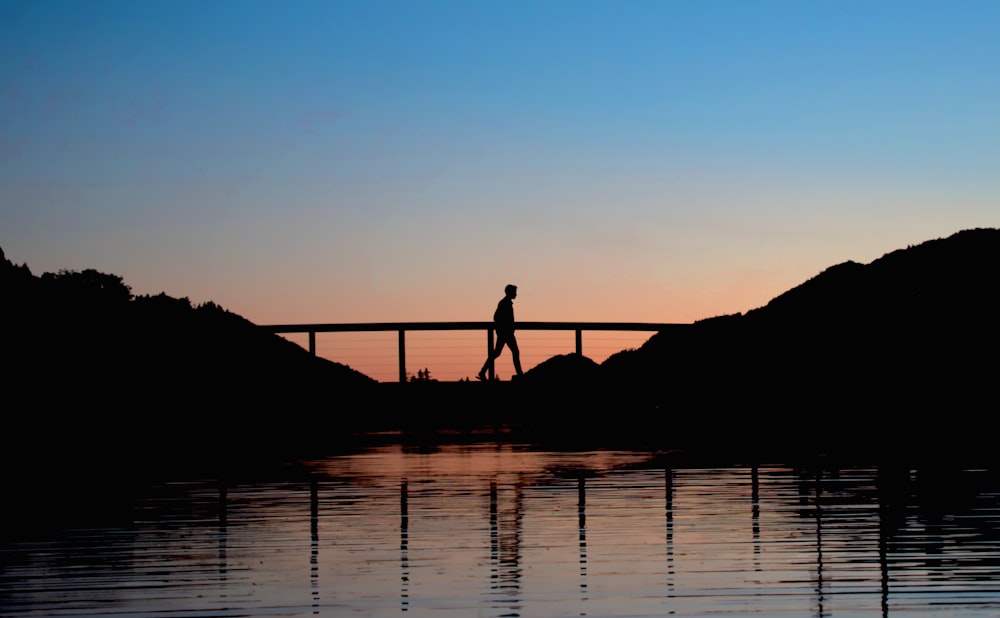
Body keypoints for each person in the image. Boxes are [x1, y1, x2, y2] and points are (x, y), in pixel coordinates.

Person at [477, 284, 524, 380]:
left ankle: (483, 371)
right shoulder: (504, 303)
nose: (516, 294)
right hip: (506, 333)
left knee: (497, 353)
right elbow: (496, 317)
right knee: (514, 352)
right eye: (514, 292)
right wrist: (506, 327)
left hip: (505, 332)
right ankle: (520, 374)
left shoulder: (505, 303)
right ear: (509, 292)